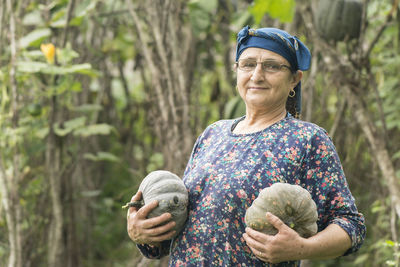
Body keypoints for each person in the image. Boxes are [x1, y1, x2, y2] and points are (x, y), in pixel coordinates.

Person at [126, 25, 366, 266]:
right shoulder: (213, 134)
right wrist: (142, 233)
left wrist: (301, 248)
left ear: (294, 79)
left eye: (272, 66)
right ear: (237, 71)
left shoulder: (307, 140)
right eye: (248, 64)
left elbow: (350, 225)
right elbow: (177, 231)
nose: (257, 75)